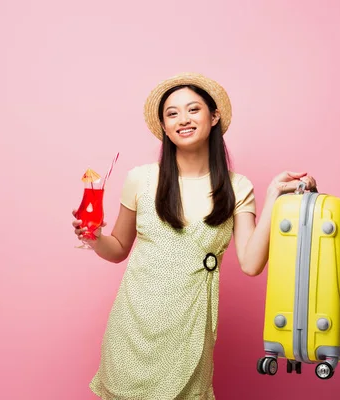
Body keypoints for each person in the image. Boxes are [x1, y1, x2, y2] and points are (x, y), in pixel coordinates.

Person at [71, 72, 317, 399]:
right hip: (133, 325)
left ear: (214, 116)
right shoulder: (141, 179)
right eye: (172, 114)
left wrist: (274, 195)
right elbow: (117, 249)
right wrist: (92, 237)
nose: (182, 120)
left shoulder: (237, 187)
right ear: (164, 126)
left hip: (189, 329)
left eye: (193, 110)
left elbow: (252, 263)